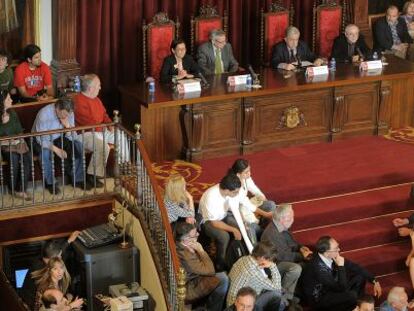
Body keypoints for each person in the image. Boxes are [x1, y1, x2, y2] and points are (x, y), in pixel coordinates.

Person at [74, 74, 129, 187]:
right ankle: (93, 176)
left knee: (120, 136)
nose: (100, 87)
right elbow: (89, 122)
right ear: (90, 88)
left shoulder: (96, 99)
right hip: (85, 133)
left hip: (99, 130)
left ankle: (122, 165)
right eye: (98, 85)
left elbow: (104, 115)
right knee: (103, 146)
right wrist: (103, 126)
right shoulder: (78, 101)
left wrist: (110, 124)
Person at [302, 236, 382, 311]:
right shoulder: (318, 268)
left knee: (360, 277)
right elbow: (341, 288)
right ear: (326, 252)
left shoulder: (329, 255)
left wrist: (374, 280)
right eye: (336, 248)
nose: (339, 249)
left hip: (332, 288)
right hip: (320, 298)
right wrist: (341, 266)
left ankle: (358, 306)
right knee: (351, 295)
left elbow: (354, 267)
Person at [32, 98, 90, 195]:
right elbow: (40, 139)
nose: (67, 116)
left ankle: (78, 179)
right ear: (57, 108)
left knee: (78, 145)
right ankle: (50, 183)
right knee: (45, 154)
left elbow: (73, 136)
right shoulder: (44, 114)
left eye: (69, 114)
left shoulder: (69, 113)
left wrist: (67, 127)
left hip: (59, 137)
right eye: (64, 114)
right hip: (39, 140)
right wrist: (57, 150)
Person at [199, 173, 254, 271]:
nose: (237, 194)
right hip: (208, 221)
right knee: (224, 236)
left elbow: (236, 208)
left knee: (242, 228)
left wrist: (242, 221)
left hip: (223, 215)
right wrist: (233, 230)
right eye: (236, 192)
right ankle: (221, 263)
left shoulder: (229, 192)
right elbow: (214, 223)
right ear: (227, 190)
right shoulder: (211, 197)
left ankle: (243, 255)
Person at [260, 204, 308, 307]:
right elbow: (283, 256)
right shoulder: (272, 234)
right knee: (296, 268)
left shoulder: (280, 226)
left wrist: (300, 248)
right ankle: (284, 299)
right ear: (282, 219)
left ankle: (293, 295)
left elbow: (291, 243)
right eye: (291, 217)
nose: (293, 220)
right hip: (273, 264)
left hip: (280, 259)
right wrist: (302, 256)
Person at [175, 222, 229, 311]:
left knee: (223, 275)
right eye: (195, 235)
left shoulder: (183, 245)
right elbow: (211, 270)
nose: (198, 234)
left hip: (194, 277)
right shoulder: (186, 256)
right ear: (186, 240)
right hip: (188, 287)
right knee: (223, 278)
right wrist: (201, 251)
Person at [21, 232, 80, 309]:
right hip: (35, 305)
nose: (61, 258)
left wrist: (68, 241)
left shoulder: (46, 257)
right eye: (60, 256)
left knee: (70, 296)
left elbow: (57, 251)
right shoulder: (45, 281)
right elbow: (54, 307)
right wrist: (71, 306)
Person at [227, 241, 284, 311]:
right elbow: (276, 286)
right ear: (263, 258)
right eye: (271, 260)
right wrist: (273, 266)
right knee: (276, 294)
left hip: (235, 299)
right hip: (241, 306)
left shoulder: (244, 259)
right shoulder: (253, 272)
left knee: (278, 294)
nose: (271, 262)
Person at [228, 159, 274, 244]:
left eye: (249, 170)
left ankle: (267, 230)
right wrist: (266, 214)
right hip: (237, 211)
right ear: (238, 174)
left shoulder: (245, 178)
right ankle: (256, 245)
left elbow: (255, 190)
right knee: (251, 226)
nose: (250, 174)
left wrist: (264, 199)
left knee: (270, 204)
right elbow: (248, 205)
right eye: (246, 172)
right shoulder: (234, 186)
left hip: (246, 206)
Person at [0, 90, 32, 200]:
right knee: (13, 158)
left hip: (17, 142)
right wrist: (3, 124)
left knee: (27, 157)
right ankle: (12, 187)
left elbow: (19, 130)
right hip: (4, 146)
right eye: (8, 99)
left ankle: (21, 189)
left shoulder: (12, 113)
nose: (11, 100)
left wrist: (19, 139)